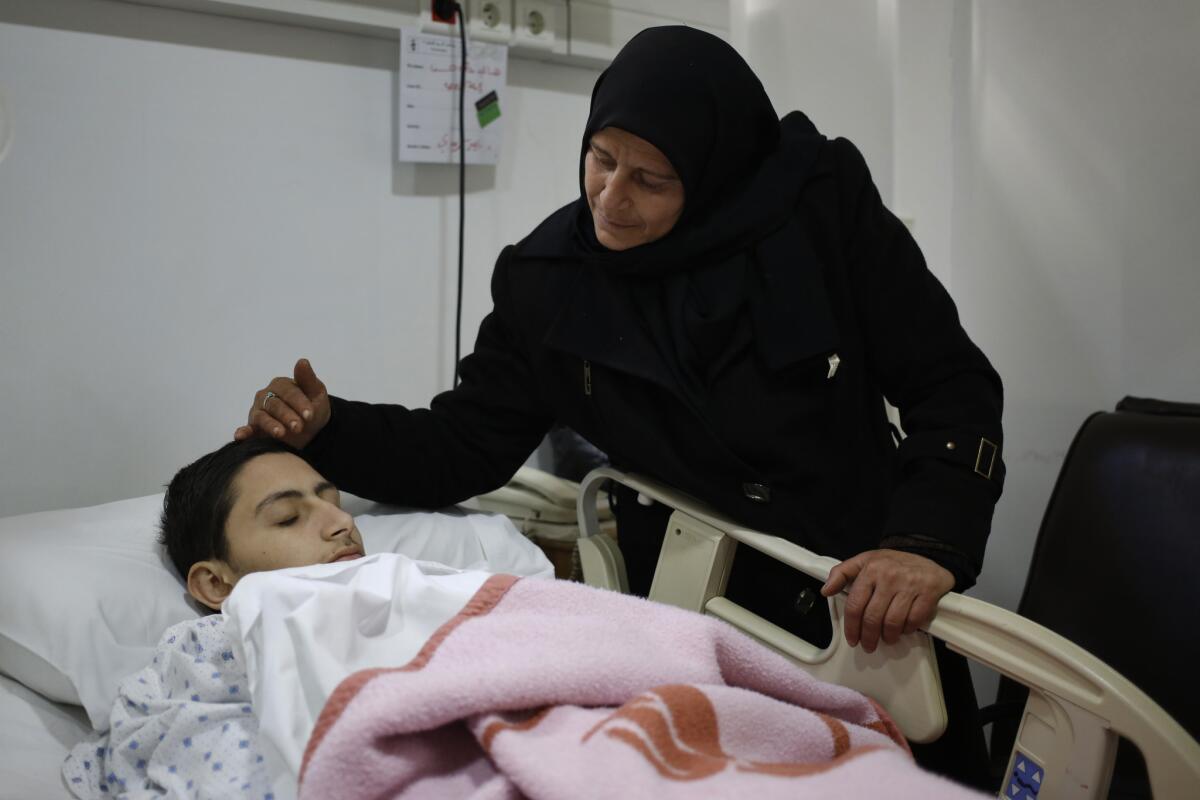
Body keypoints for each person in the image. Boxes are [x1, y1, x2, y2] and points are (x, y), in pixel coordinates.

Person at [233, 26, 1004, 788]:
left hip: (862, 597)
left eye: (651, 179)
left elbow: (952, 387)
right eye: (600, 160)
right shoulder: (550, 283)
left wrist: (924, 544)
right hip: (695, 612)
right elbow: (463, 442)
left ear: (712, 176)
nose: (611, 198)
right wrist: (330, 430)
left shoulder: (823, 214)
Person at [160, 437, 365, 610]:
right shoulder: (203, 649)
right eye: (288, 517)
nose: (344, 521)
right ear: (216, 584)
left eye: (335, 504)